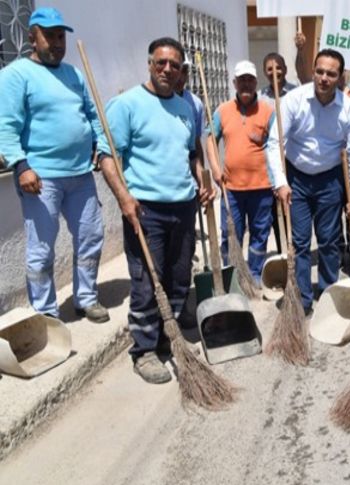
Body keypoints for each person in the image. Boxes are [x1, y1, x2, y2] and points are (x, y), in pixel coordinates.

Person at [98, 37, 214, 384]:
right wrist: (123, 198)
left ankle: (169, 335)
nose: (167, 69)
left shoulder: (183, 107)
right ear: (150, 64)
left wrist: (202, 183)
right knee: (148, 280)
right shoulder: (126, 105)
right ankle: (144, 349)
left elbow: (191, 155)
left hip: (183, 205)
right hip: (146, 208)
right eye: (161, 63)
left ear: (181, 70)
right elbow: (106, 156)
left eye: (174, 65)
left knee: (179, 277)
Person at [0, 7, 109, 322]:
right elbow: (5, 127)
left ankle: (86, 298)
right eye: (50, 36)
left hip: (81, 175)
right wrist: (21, 166)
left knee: (91, 236)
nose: (58, 43)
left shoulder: (74, 74)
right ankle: (46, 312)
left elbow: (93, 116)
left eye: (61, 36)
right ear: (33, 37)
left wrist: (99, 147)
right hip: (41, 178)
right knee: (42, 249)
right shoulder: (16, 75)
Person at [266, 49, 350, 314]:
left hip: (330, 180)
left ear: (340, 77)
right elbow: (275, 143)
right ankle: (302, 300)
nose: (324, 78)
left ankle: (329, 293)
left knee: (330, 240)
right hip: (297, 178)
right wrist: (281, 182)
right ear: (313, 70)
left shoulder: (349, 109)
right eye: (319, 71)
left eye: (331, 74)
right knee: (298, 242)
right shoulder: (293, 100)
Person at [208, 61, 274, 284]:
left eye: (250, 79)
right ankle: (233, 275)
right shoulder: (222, 110)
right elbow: (210, 139)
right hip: (231, 189)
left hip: (262, 187)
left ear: (256, 82)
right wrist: (215, 170)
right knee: (230, 234)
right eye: (241, 80)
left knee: (260, 233)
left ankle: (254, 274)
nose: (246, 84)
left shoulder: (268, 111)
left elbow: (276, 145)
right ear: (234, 83)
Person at [174, 57, 205, 169]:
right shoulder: (156, 102)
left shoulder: (195, 104)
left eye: (185, 72)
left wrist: (203, 178)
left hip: (191, 180)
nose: (181, 78)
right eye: (178, 70)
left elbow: (196, 144)